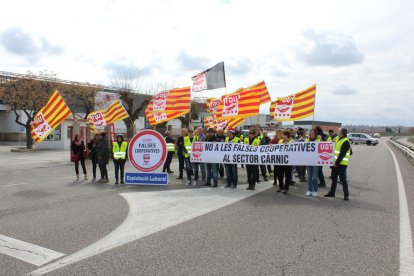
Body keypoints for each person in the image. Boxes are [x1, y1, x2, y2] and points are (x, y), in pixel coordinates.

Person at [325, 128, 351, 200]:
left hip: (341, 164)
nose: (337, 132)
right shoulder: (340, 139)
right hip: (336, 163)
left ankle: (346, 194)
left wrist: (336, 163)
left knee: (343, 180)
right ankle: (332, 193)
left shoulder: (345, 141)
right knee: (334, 179)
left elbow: (342, 154)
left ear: (342, 133)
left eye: (339, 131)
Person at [305, 129, 319, 196]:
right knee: (309, 176)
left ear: (315, 134)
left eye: (313, 133)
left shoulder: (318, 141)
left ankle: (315, 191)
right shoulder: (307, 140)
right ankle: (309, 190)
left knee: (315, 176)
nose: (311, 134)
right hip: (308, 160)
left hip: (315, 161)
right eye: (310, 133)